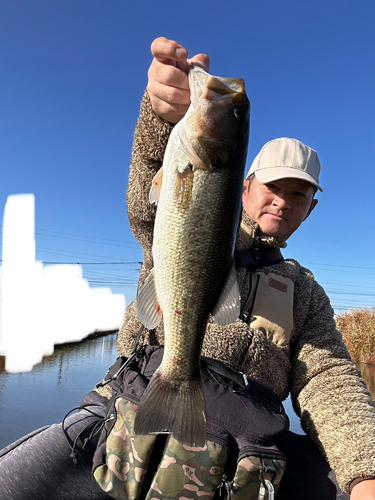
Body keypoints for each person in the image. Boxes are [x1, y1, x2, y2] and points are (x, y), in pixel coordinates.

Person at [0, 36, 374, 500]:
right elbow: (148, 200)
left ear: (310, 209)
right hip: (126, 414)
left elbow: (328, 379)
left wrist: (364, 472)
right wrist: (162, 117)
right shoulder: (186, 203)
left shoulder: (304, 291)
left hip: (241, 448)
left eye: (299, 194)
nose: (283, 200)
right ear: (244, 186)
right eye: (273, 185)